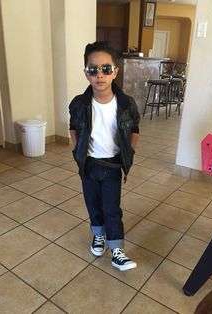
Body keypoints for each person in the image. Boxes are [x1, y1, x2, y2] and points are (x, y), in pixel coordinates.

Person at [69, 41, 140, 271]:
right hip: (89, 165)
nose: (100, 75)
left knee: (112, 208)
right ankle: (98, 235)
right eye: (93, 69)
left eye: (106, 69)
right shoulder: (79, 104)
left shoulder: (126, 104)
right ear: (86, 73)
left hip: (111, 166)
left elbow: (135, 128)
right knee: (93, 204)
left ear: (115, 72)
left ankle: (117, 249)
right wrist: (77, 151)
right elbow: (73, 127)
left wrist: (129, 152)